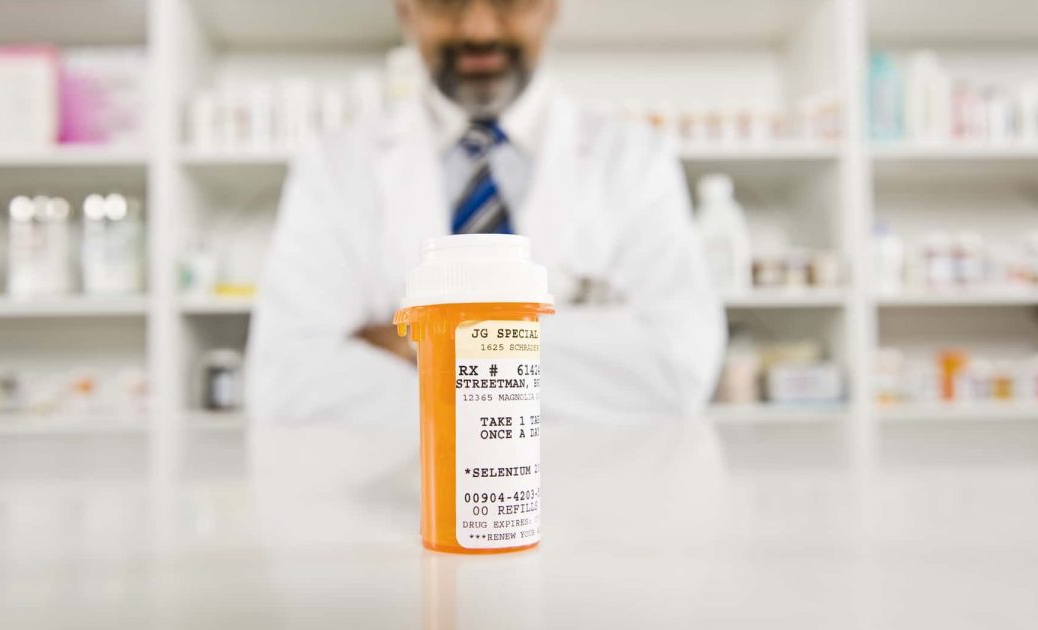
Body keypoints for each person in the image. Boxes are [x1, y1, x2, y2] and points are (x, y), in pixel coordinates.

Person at [247, 0, 725, 424]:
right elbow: (285, 383)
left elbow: (680, 369)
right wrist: (565, 346)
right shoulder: (333, 168)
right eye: (445, 2)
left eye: (509, 0)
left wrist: (425, 345)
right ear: (405, 11)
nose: (478, 29)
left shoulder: (634, 159)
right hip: (396, 502)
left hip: (596, 504)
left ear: (552, 6)